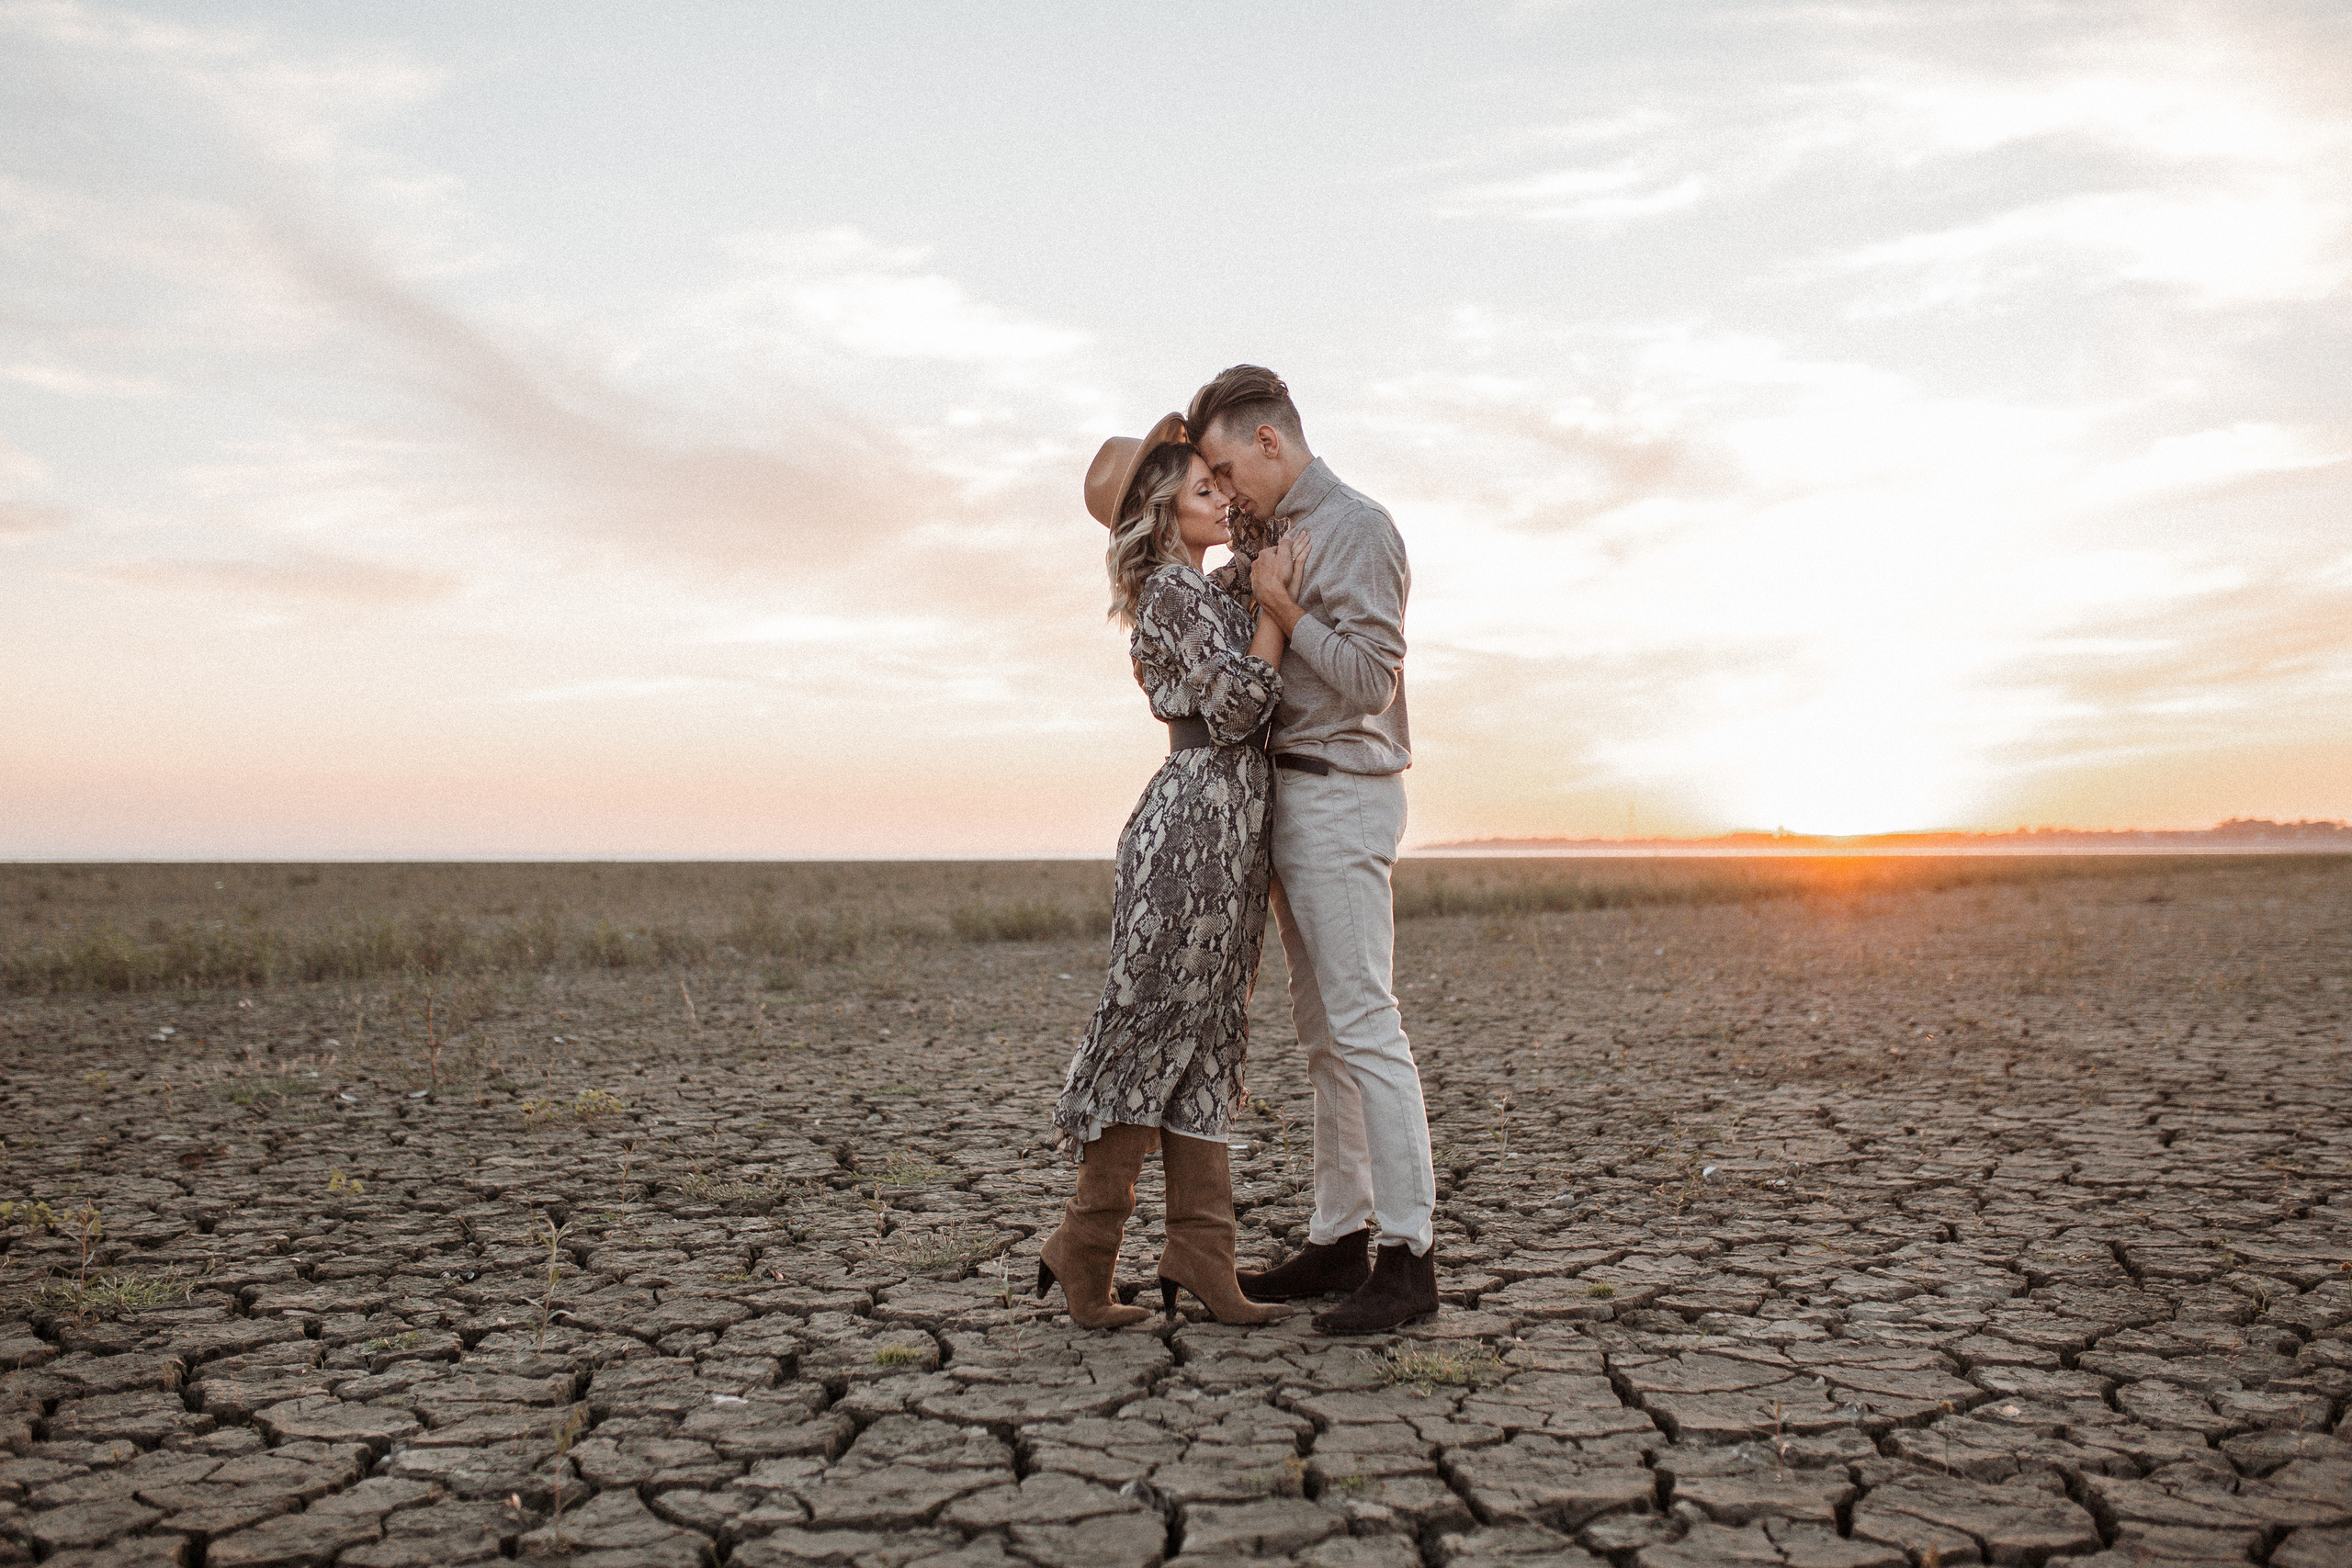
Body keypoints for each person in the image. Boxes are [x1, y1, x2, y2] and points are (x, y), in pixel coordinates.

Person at [1035, 413, 1309, 1329]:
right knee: (1155, 1028)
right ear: (1160, 511)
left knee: (1207, 1034)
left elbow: (1261, 547)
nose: (1222, 499)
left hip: (1231, 832)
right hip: (1192, 828)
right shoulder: (1168, 593)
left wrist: (1258, 556)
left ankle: (1201, 1253)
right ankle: (1084, 1244)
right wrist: (1275, 614)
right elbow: (1235, 709)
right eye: (1203, 490)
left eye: (1219, 484)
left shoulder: (1203, 587)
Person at [1188, 366, 1440, 1334]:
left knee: (1366, 1026)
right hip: (1288, 800)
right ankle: (1341, 1236)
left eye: (1224, 465)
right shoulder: (1268, 532)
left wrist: (1282, 608)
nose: (1223, 487)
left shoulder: (1359, 527)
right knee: (1325, 1037)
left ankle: (1408, 1256)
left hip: (1342, 792)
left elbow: (1371, 681)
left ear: (1267, 441)